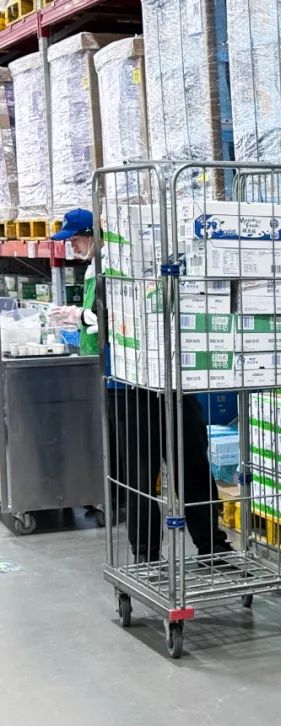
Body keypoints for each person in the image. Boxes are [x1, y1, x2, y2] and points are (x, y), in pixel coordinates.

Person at [48, 208, 231, 563]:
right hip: (125, 385)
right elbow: (105, 323)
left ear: (95, 234)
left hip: (169, 380)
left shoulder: (129, 267)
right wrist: (82, 318)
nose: (73, 246)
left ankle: (211, 545)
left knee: (191, 463)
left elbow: (115, 316)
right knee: (140, 476)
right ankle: (147, 556)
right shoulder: (96, 271)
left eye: (76, 239)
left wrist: (81, 316)